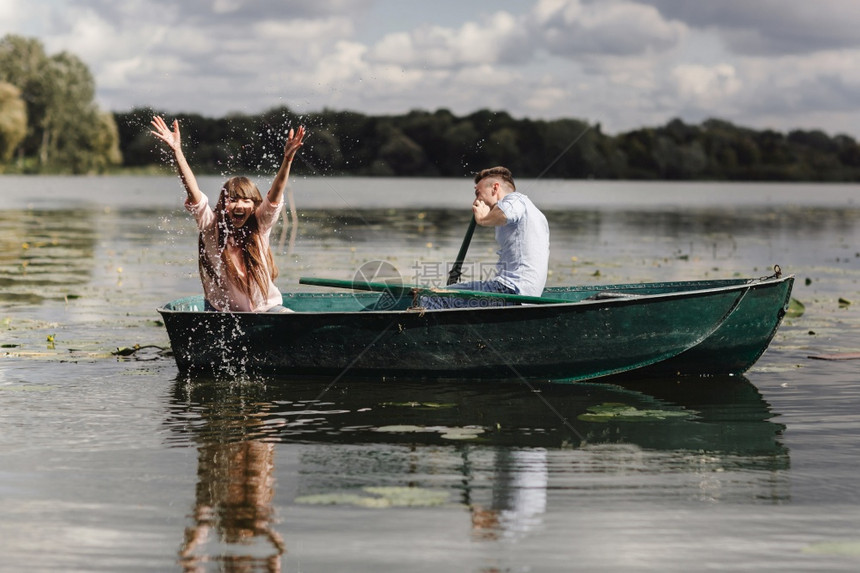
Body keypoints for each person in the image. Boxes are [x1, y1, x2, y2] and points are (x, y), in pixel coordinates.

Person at [150, 115, 305, 312]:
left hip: (266, 310)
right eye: (232, 199)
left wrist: (288, 159)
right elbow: (194, 193)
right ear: (223, 205)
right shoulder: (211, 227)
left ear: (255, 205)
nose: (239, 205)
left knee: (291, 319)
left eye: (246, 200)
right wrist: (177, 151)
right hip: (223, 313)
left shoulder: (260, 225)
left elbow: (275, 195)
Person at [424, 166, 549, 308]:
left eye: (478, 193)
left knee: (433, 297)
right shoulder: (533, 212)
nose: (475, 201)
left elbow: (504, 214)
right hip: (524, 292)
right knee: (450, 294)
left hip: (512, 289)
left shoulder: (516, 199)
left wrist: (482, 219)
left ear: (495, 188)